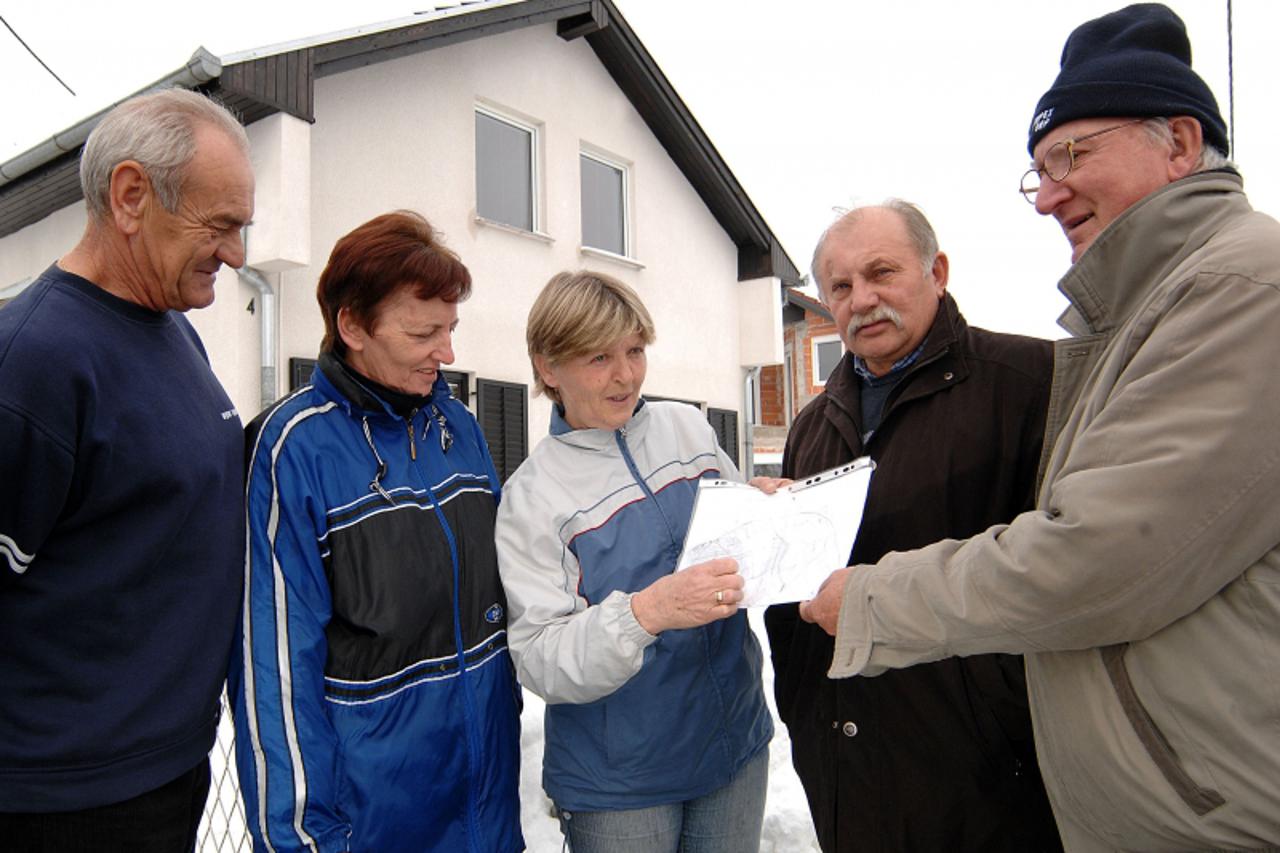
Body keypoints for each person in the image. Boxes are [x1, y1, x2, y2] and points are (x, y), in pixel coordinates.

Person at [801, 5, 1280, 851]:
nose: (1048, 193)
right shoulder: (814, 421)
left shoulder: (1223, 298)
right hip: (890, 776)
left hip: (1134, 799)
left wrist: (872, 600)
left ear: (1177, 142)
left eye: (1070, 154)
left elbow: (1100, 555)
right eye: (838, 287)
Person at [765, 200, 1061, 852]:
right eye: (839, 286)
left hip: (987, 779)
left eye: (882, 273)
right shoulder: (812, 427)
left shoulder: (1030, 383)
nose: (861, 299)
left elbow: (1069, 565)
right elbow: (793, 606)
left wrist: (999, 712)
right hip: (846, 767)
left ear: (938, 271)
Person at [0, 89, 251, 851]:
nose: (237, 255)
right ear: (132, 195)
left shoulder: (174, 331)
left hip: (161, 774)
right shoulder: (31, 364)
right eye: (221, 226)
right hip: (62, 804)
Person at [231, 211, 522, 852]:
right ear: (353, 327)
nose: (447, 354)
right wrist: (303, 837)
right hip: (372, 823)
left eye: (451, 329)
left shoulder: (458, 428)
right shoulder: (291, 451)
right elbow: (276, 673)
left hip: (485, 811)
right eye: (424, 333)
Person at [495, 270, 774, 853]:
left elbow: (733, 540)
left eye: (634, 350)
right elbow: (540, 658)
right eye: (599, 357)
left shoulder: (687, 427)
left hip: (733, 744)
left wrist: (767, 510)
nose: (625, 375)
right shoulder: (532, 495)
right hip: (622, 786)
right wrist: (647, 613)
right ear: (549, 369)